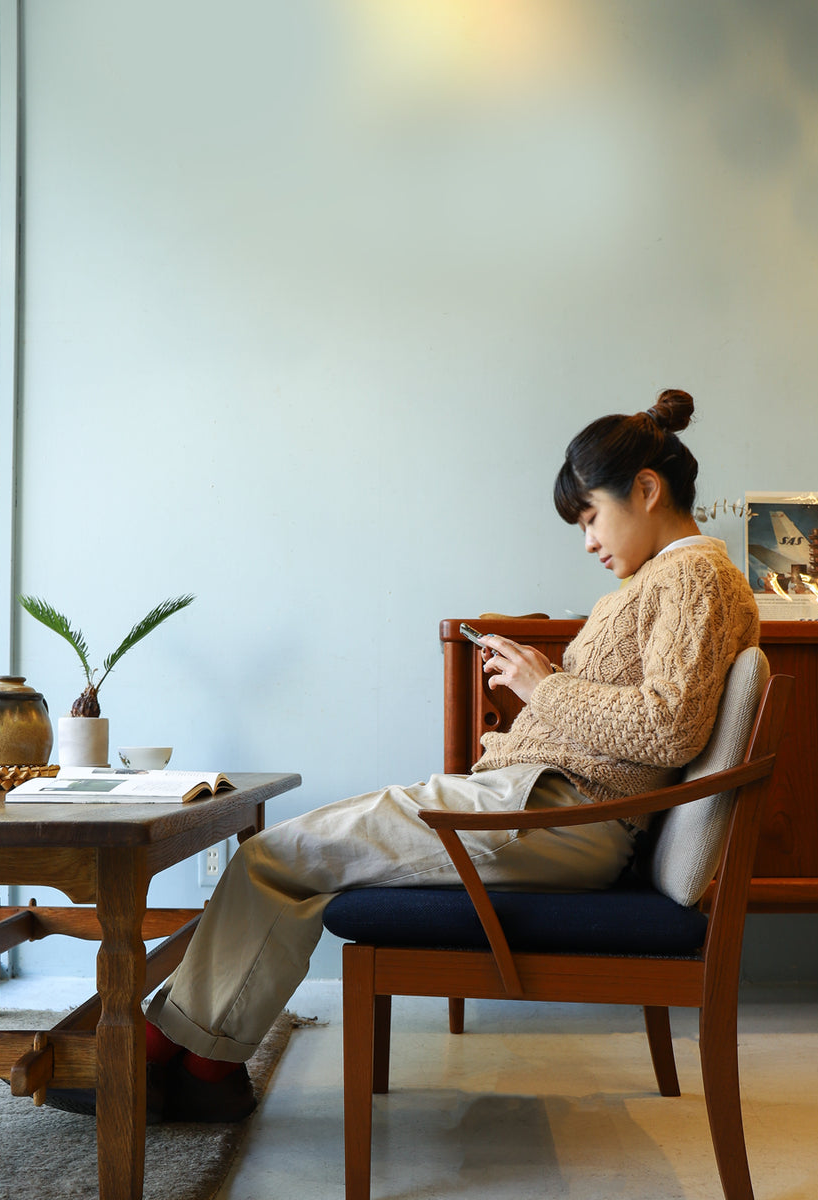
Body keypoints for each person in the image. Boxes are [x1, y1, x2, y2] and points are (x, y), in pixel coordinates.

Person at [51, 388, 760, 1123]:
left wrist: (544, 687)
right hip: (544, 808)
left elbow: (670, 726)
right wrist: (540, 697)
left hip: (552, 815)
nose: (587, 541)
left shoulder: (693, 574)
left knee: (274, 858)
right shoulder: (671, 578)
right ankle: (198, 1063)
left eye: (589, 516)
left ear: (645, 490)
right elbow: (646, 719)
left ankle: (171, 1058)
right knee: (292, 862)